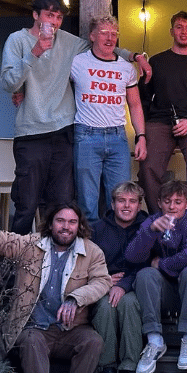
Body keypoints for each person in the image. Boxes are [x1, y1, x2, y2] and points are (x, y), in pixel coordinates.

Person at [0, 0, 150, 234]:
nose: (54, 22)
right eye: (49, 15)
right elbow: (8, 83)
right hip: (32, 131)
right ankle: (16, 261)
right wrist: (34, 54)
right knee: (27, 203)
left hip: (64, 131)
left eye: (58, 17)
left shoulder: (69, 43)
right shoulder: (17, 40)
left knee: (61, 204)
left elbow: (105, 47)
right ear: (35, 15)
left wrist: (135, 57)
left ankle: (57, 257)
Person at [0, 202, 111, 373]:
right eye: (60, 221)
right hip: (34, 328)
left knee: (93, 341)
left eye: (72, 222)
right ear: (50, 223)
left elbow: (102, 281)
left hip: (70, 330)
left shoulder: (92, 252)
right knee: (32, 341)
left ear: (79, 226)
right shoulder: (31, 244)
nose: (66, 227)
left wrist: (75, 299)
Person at [125, 181, 187, 373]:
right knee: (144, 274)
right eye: (167, 201)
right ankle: (154, 341)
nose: (172, 207)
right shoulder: (154, 221)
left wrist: (162, 264)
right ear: (159, 203)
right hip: (164, 293)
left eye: (178, 202)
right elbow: (131, 257)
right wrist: (150, 232)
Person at [70, 15, 147, 222]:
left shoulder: (125, 68)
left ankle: (117, 251)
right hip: (86, 134)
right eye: (104, 33)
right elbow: (53, 84)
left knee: (122, 199)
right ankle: (90, 252)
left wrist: (141, 136)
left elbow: (135, 104)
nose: (110, 38)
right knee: (87, 202)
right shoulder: (78, 62)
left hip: (117, 136)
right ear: (92, 36)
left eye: (114, 34)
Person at [138, 10, 187, 215]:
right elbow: (142, 98)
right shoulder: (157, 62)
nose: (184, 32)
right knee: (148, 168)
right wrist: (142, 131)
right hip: (160, 122)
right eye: (179, 27)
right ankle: (161, 217)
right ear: (171, 31)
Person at [90, 181, 149, 373]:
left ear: (139, 206)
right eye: (121, 200)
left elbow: (148, 264)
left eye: (132, 201)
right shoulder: (97, 229)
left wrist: (124, 285)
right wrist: (104, 280)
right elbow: (87, 262)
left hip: (135, 286)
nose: (126, 205)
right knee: (106, 307)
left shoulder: (147, 228)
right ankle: (106, 366)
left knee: (129, 304)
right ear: (113, 204)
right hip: (103, 285)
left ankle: (129, 365)